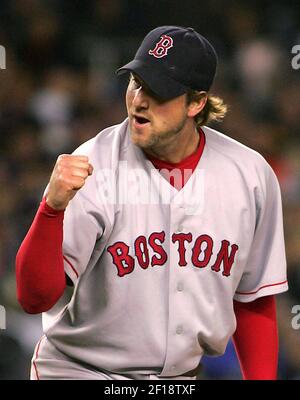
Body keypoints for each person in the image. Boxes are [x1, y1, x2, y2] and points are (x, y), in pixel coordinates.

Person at [16, 25, 288, 380]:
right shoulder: (94, 164)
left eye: (158, 91)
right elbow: (34, 299)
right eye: (136, 83)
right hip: (80, 371)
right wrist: (51, 210)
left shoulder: (249, 175)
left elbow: (252, 299)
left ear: (197, 102)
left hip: (178, 380)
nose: (139, 100)